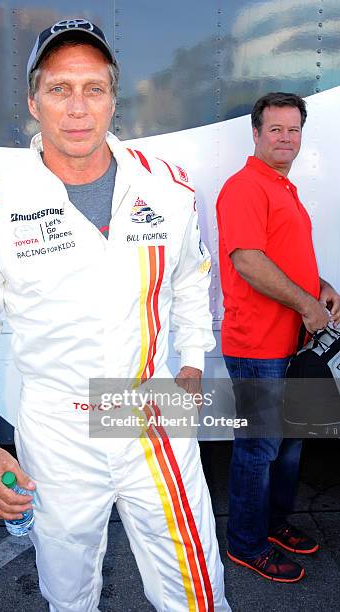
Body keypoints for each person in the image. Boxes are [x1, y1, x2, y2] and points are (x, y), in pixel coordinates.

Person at [0, 18, 230, 611]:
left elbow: (191, 280)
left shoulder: (167, 191)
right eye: (59, 88)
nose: (77, 108)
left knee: (196, 591)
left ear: (113, 101)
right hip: (55, 427)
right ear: (33, 101)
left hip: (150, 410)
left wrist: (194, 361)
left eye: (93, 89)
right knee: (68, 594)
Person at [216, 92, 340, 582]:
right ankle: (246, 543)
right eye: (276, 130)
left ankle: (273, 525)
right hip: (256, 346)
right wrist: (306, 304)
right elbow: (247, 261)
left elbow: (283, 256)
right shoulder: (245, 187)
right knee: (259, 448)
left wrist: (321, 288)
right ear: (256, 133)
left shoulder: (283, 188)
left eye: (293, 130)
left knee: (290, 444)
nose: (286, 138)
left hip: (292, 343)